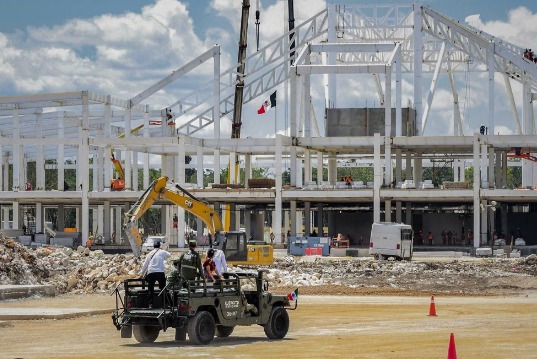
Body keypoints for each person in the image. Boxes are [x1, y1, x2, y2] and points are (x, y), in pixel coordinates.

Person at [139, 240, 171, 308]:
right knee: (163, 288)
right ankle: (166, 304)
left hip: (151, 272)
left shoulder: (150, 253)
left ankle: (150, 304)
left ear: (153, 246)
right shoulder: (162, 252)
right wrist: (163, 250)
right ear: (159, 246)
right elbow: (169, 255)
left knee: (151, 289)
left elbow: (145, 264)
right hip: (160, 272)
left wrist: (141, 274)